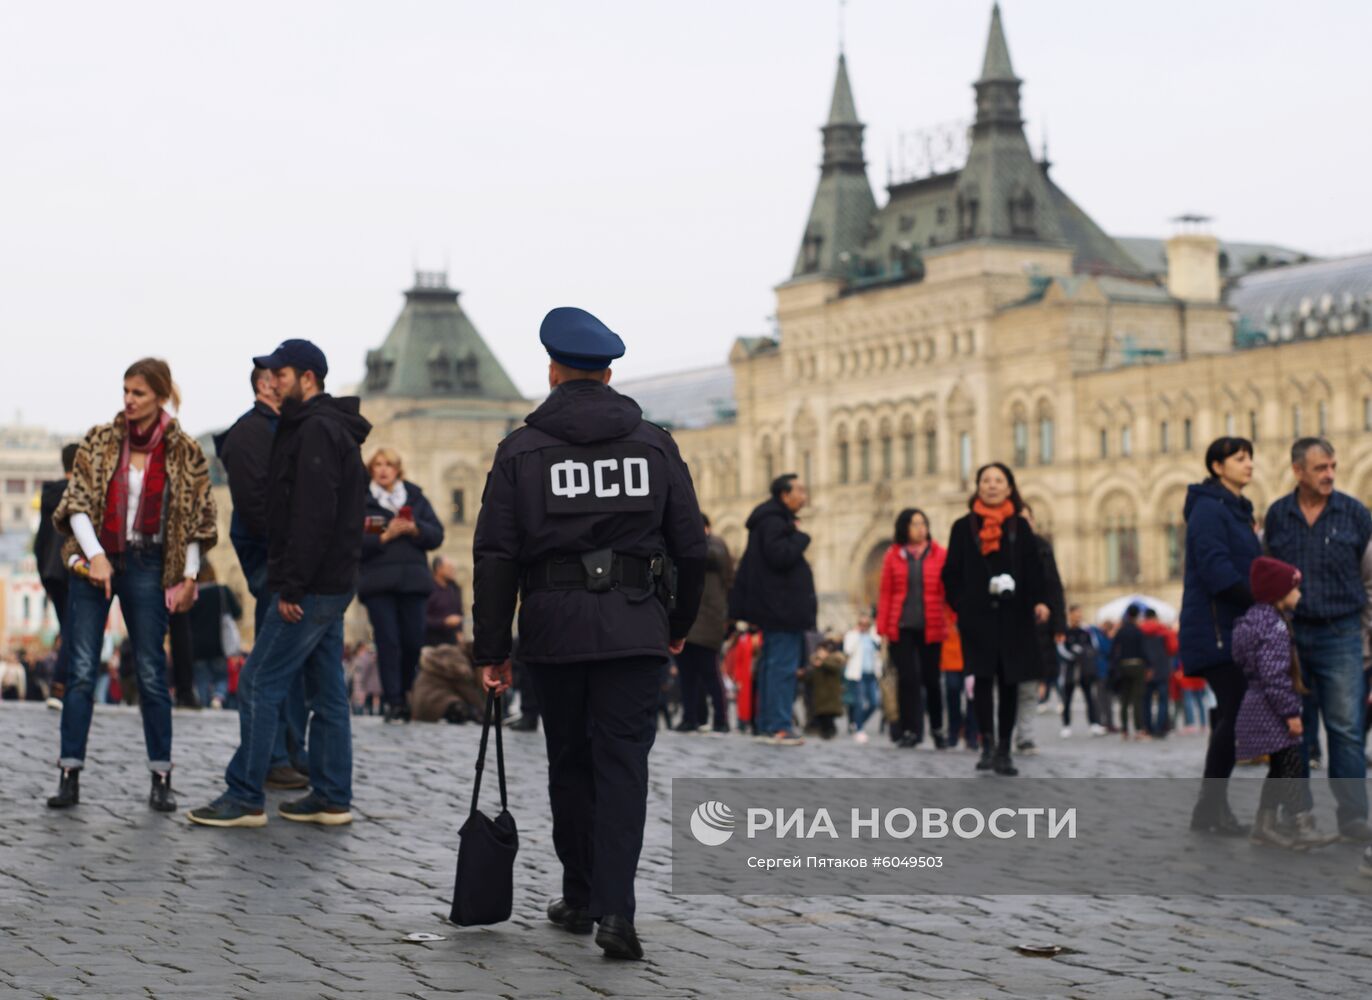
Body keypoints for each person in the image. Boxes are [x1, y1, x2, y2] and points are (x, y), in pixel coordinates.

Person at [473, 307, 706, 960]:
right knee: (624, 766)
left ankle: (579, 894)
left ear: (553, 370)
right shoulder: (654, 443)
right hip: (636, 627)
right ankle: (617, 913)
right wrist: (678, 625)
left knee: (570, 763)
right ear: (608, 373)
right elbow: (693, 547)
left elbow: (495, 556)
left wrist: (491, 649)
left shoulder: (522, 449)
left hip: (555, 629)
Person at [189, 338, 371, 828]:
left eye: (282, 375)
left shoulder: (314, 432)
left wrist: (290, 587)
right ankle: (332, 794)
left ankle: (245, 795)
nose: (274, 383)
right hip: (332, 582)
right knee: (328, 691)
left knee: (257, 682)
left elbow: (308, 518)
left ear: (307, 378)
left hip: (310, 586)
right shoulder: (331, 429)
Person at [48, 357, 217, 812]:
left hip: (149, 561)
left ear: (160, 396)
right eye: (125, 390)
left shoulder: (184, 449)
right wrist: (96, 556)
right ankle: (69, 773)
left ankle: (161, 776)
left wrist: (188, 576)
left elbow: (198, 519)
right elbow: (77, 502)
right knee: (82, 670)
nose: (128, 400)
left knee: (150, 672)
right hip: (98, 559)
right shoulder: (101, 439)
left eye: (138, 392)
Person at [1263, 437, 1372, 842]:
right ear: (1298, 471)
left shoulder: (1355, 513)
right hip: (1292, 636)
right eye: (1320, 468)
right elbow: (1268, 577)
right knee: (1295, 730)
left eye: (1332, 467)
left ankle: (1353, 817)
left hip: (1341, 633)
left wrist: (1366, 632)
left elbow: (1371, 576)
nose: (1329, 475)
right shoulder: (1278, 515)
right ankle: (1298, 814)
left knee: (1346, 728)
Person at [215, 365, 309, 787]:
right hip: (274, 563)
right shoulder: (253, 433)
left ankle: (288, 752)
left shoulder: (280, 428)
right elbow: (257, 509)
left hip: (283, 561)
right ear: (267, 384)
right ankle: (272, 759)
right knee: (271, 667)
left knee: (286, 666)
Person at [941, 462, 1050, 777]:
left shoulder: (1020, 526)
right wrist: (961, 604)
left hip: (1014, 615)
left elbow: (1033, 569)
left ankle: (1004, 747)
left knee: (1010, 681)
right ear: (977, 486)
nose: (991, 485)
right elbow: (952, 572)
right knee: (982, 681)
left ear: (1009, 487)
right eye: (985, 480)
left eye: (998, 480)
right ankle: (985, 743)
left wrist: (1039, 600)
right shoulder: (963, 527)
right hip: (977, 616)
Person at [1179, 436, 1263, 836]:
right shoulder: (1210, 509)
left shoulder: (1234, 509)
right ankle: (1209, 808)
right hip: (1216, 629)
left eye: (1250, 458)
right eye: (1239, 458)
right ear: (1217, 466)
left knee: (1233, 713)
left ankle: (1210, 809)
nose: (1248, 464)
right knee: (1238, 710)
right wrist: (1263, 597)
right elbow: (1216, 570)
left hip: (1234, 627)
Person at [1234, 556, 1338, 850]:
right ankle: (1302, 824)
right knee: (1290, 766)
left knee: (1280, 768)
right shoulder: (1274, 627)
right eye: (1295, 588)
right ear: (1279, 592)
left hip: (1258, 704)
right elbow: (1274, 675)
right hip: (1272, 711)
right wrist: (1291, 713)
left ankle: (1263, 825)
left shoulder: (1254, 621)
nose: (1300, 594)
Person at [729, 474, 817, 746]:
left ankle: (769, 724)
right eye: (799, 490)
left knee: (771, 666)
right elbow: (780, 557)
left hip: (775, 607)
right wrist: (801, 538)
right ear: (784, 495)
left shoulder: (769, 520)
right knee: (782, 667)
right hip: (781, 608)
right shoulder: (774, 522)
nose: (804, 495)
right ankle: (778, 724)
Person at [358, 447, 445, 722]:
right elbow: (355, 539)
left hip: (414, 581)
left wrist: (415, 528)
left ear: (398, 470)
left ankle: (407, 690)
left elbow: (436, 534)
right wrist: (385, 535)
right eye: (378, 465)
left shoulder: (415, 498)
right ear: (372, 470)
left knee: (412, 641)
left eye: (389, 465)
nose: (383, 470)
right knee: (388, 642)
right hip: (379, 583)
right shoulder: (364, 500)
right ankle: (394, 701)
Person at [875, 508, 950, 748]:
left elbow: (947, 591)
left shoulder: (940, 554)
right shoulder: (893, 556)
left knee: (932, 680)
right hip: (902, 626)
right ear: (904, 528)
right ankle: (911, 730)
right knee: (907, 680)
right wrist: (883, 628)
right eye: (915, 524)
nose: (921, 528)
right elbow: (886, 593)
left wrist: (951, 618)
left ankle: (938, 728)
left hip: (931, 626)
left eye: (924, 524)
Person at [676, 514, 734, 733]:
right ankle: (691, 717)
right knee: (687, 675)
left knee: (710, 673)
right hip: (688, 620)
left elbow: (714, 558)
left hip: (708, 621)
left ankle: (721, 719)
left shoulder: (716, 544)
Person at [35, 443, 79, 709]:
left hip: (51, 571)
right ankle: (60, 686)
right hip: (71, 567)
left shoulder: (50, 495)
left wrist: (43, 576)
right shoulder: (77, 495)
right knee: (74, 629)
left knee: (69, 628)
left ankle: (68, 686)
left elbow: (40, 540)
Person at [1017, 505, 1064, 755]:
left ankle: (1024, 734)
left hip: (1037, 626)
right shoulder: (1003, 548)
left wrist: (1059, 623)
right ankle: (1006, 732)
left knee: (1029, 684)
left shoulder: (1043, 548)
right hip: (1010, 624)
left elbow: (1054, 586)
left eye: (1027, 520)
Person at [188, 563, 241, 709]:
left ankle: (205, 705)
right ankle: (218, 697)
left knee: (201, 680)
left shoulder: (191, 595)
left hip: (196, 647)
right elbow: (237, 612)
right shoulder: (221, 591)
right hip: (219, 644)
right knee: (222, 677)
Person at [1058, 605, 1100, 737]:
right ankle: (1066, 725)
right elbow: (1060, 649)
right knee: (1067, 698)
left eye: (1080, 613)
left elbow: (1095, 645)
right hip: (1070, 669)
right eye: (1076, 613)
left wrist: (1085, 655)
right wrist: (1072, 657)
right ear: (1070, 615)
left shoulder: (1086, 630)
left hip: (1084, 669)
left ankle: (1093, 724)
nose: (1078, 616)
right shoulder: (1064, 630)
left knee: (1089, 697)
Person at [1110, 605, 1150, 741]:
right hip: (1137, 665)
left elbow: (1113, 649)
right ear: (1137, 615)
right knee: (1137, 699)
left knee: (1124, 700)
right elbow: (1144, 650)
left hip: (1123, 666)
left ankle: (1124, 730)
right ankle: (1138, 730)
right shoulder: (1138, 631)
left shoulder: (1121, 631)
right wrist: (1149, 665)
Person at [842, 614, 881, 743]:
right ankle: (859, 729)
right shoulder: (852, 635)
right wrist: (857, 634)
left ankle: (857, 722)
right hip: (858, 674)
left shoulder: (873, 636)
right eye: (861, 624)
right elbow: (848, 650)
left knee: (874, 703)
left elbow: (879, 650)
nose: (864, 627)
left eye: (867, 625)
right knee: (859, 702)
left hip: (872, 674)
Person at [1140, 609, 1178, 738]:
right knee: (1163, 701)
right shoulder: (1164, 631)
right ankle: (1159, 728)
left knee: (1146, 701)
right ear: (1155, 617)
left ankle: (1148, 727)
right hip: (1162, 669)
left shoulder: (1140, 631)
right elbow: (1173, 649)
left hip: (1146, 670)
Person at [806, 635, 845, 740]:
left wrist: (822, 662)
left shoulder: (834, 659)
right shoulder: (815, 661)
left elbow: (835, 668)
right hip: (819, 694)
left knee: (828, 716)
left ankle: (830, 731)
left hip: (830, 695)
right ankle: (825, 732)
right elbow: (810, 677)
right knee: (821, 715)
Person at [424, 555, 464, 647]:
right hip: (431, 643)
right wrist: (444, 622)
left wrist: (459, 631)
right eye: (449, 568)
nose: (453, 571)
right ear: (439, 569)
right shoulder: (428, 589)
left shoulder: (454, 588)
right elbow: (423, 617)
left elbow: (459, 612)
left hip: (452, 642)